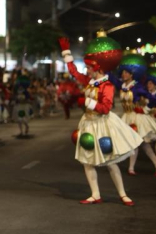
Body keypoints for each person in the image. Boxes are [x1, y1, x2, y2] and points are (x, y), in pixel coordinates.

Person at [60, 35, 142, 206]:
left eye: (89, 68)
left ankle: (123, 195)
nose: (87, 71)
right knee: (87, 161)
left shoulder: (107, 86)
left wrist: (87, 102)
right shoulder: (88, 81)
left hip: (102, 124)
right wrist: (66, 52)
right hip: (88, 123)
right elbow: (74, 72)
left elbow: (105, 108)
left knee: (110, 162)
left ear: (97, 68)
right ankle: (95, 194)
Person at [107, 61, 156, 176]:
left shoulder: (137, 87)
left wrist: (145, 109)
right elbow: (111, 78)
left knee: (136, 143)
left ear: (132, 74)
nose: (124, 74)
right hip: (127, 117)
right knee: (142, 144)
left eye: (127, 72)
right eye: (123, 72)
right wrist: (105, 65)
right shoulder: (122, 86)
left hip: (137, 118)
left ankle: (132, 167)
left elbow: (154, 99)